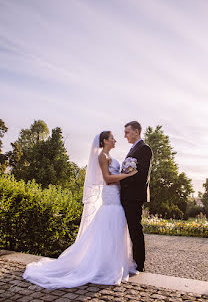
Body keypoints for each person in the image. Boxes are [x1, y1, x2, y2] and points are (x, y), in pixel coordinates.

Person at [22, 131, 138, 289]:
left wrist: (125, 173)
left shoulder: (109, 156)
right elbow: (107, 179)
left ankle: (111, 263)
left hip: (116, 195)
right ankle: (104, 267)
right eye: (112, 138)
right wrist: (128, 176)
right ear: (104, 141)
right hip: (110, 196)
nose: (115, 140)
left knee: (116, 229)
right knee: (110, 225)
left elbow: (114, 176)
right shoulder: (102, 157)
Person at [120, 121, 153, 272]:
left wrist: (122, 179)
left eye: (127, 132)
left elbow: (142, 176)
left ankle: (139, 264)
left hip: (133, 196)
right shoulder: (134, 149)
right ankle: (132, 260)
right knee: (131, 229)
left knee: (135, 229)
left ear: (136, 132)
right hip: (127, 195)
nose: (125, 135)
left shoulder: (144, 149)